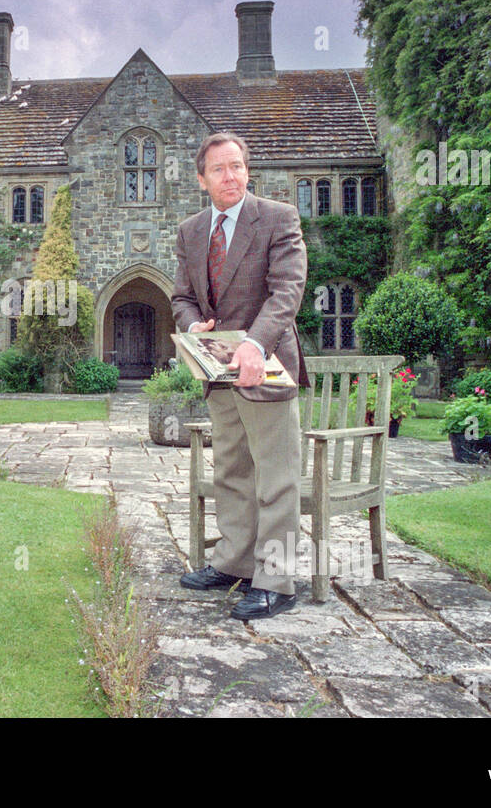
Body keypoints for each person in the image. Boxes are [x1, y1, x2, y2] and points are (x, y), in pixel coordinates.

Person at [171, 132, 309, 620]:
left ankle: (277, 581)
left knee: (275, 477)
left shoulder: (276, 218)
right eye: (219, 169)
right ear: (201, 178)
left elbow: (287, 291)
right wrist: (192, 326)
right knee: (231, 471)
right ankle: (233, 564)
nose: (230, 176)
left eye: (237, 167)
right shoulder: (190, 231)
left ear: (247, 171)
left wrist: (255, 342)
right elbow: (182, 297)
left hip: (267, 367)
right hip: (218, 371)